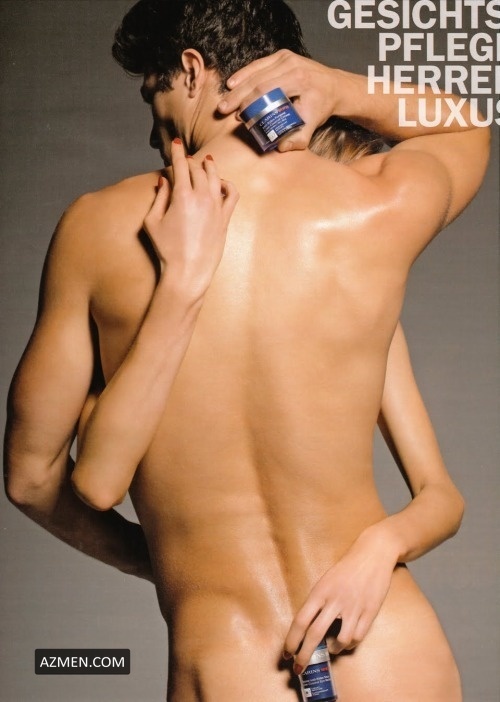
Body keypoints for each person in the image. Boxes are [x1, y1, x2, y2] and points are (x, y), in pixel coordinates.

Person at [4, 0, 490, 700]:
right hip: (386, 645)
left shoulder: (98, 228)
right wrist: (338, 88)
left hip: (231, 658)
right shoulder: (372, 207)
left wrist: (162, 563)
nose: (151, 126)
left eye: (153, 92)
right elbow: (466, 123)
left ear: (192, 70)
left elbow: (31, 478)